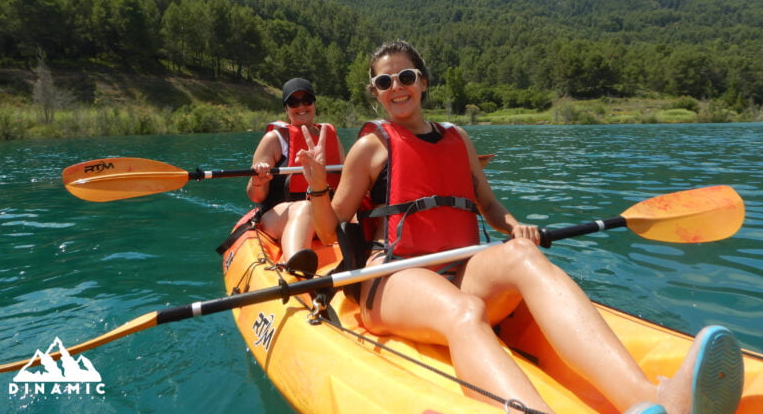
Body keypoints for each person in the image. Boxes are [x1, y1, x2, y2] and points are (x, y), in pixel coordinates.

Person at [295, 41, 742, 414]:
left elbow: (488, 204)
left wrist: (514, 227)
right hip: (395, 276)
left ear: (423, 82)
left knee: (525, 255)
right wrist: (317, 185)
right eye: (384, 82)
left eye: (405, 77)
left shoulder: (457, 139)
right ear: (375, 93)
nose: (396, 87)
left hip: (461, 269)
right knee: (464, 311)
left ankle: (651, 399)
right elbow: (331, 232)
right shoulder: (370, 147)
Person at [246, 77, 345, 275]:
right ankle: (295, 269)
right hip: (281, 215)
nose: (301, 107)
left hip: (324, 214)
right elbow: (256, 196)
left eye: (306, 100)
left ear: (314, 103)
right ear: (286, 109)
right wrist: (258, 180)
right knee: (305, 208)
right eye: (293, 102)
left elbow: (344, 183)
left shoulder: (329, 137)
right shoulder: (274, 139)